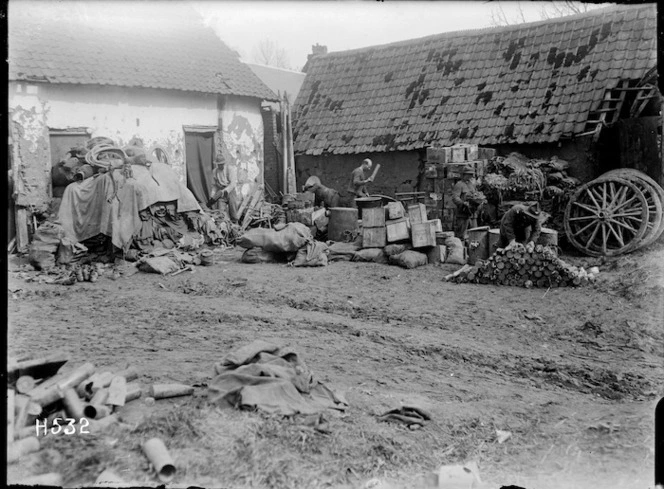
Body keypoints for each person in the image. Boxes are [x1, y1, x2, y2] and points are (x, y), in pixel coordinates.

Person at [207, 155, 238, 223]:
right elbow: (214, 185)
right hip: (221, 192)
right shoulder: (215, 171)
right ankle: (223, 226)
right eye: (219, 164)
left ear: (224, 163)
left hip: (230, 191)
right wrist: (212, 195)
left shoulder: (230, 169)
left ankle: (235, 224)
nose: (220, 166)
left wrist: (225, 191)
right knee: (221, 212)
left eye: (222, 164)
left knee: (233, 209)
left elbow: (232, 184)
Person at [451, 167, 478, 241]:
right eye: (468, 174)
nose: (470, 176)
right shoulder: (459, 185)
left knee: (474, 234)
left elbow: (475, 194)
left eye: (471, 175)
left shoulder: (471, 184)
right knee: (461, 235)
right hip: (462, 213)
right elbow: (455, 197)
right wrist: (463, 203)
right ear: (463, 175)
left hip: (472, 213)